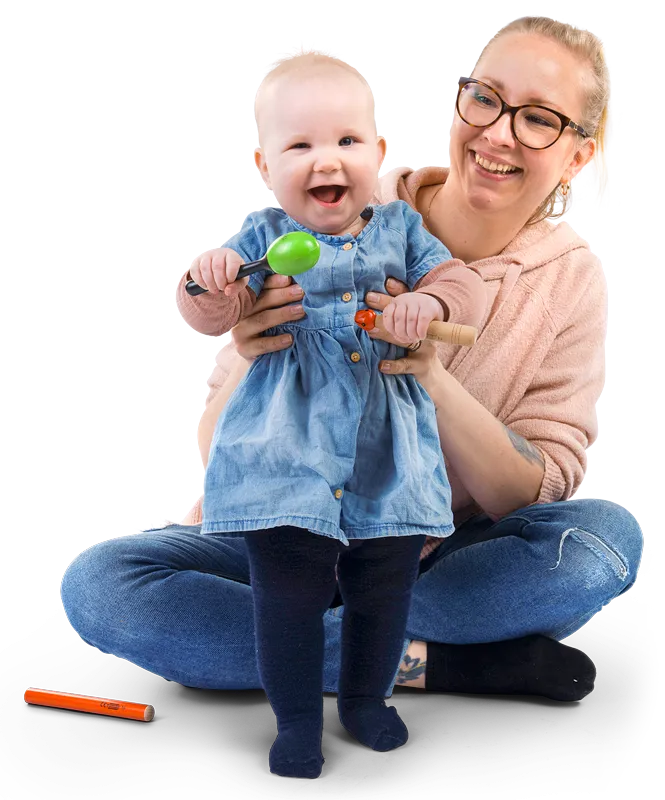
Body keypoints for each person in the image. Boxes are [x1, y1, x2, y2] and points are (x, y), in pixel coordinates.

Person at [60, 13, 643, 772]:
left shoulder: (563, 279)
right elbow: (215, 453)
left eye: (538, 119)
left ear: (578, 152)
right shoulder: (322, 213)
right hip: (284, 520)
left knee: (602, 543)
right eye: (485, 98)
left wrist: (431, 374)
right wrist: (241, 337)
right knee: (100, 586)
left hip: (424, 539)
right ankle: (429, 662)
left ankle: (312, 635)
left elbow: (531, 494)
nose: (498, 132)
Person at [175, 49, 486, 778]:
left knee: (385, 589)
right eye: (299, 145)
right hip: (285, 457)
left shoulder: (402, 230)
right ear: (264, 166)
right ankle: (295, 721)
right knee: (286, 597)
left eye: (347, 140)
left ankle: (365, 699)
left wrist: (428, 303)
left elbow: (461, 286)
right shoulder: (260, 240)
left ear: (378, 153)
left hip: (388, 457)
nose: (327, 160)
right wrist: (206, 280)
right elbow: (211, 314)